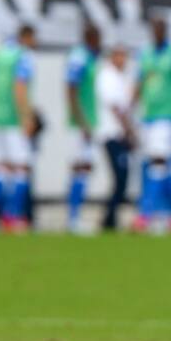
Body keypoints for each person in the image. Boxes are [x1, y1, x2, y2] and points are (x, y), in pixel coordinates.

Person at [134, 17, 171, 233]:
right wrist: (130, 108)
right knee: (163, 165)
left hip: (168, 116)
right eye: (155, 29)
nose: (158, 32)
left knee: (159, 162)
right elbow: (139, 82)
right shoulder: (145, 53)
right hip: (148, 116)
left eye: (161, 29)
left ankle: (146, 213)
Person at [0, 24, 37, 232]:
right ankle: (10, 215)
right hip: (13, 118)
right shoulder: (23, 56)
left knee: (1, 166)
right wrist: (27, 117)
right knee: (21, 167)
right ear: (26, 37)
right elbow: (19, 86)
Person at [65, 23, 102, 234]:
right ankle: (73, 217)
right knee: (80, 167)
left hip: (88, 121)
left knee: (84, 167)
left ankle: (75, 215)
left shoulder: (89, 57)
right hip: (81, 123)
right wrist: (81, 121)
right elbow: (71, 89)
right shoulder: (79, 57)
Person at [97, 44, 136, 231]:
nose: (123, 60)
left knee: (122, 178)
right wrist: (129, 130)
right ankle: (109, 218)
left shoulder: (120, 77)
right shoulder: (108, 76)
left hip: (119, 134)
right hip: (111, 133)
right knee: (120, 176)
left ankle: (110, 218)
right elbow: (115, 108)